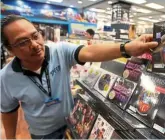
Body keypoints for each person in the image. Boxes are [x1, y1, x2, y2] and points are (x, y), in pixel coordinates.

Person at [0, 15, 158, 139]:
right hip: (43, 134)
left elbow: (89, 52)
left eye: (35, 36)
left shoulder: (59, 51)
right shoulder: (6, 78)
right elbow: (8, 111)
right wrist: (11, 138)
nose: (34, 44)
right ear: (9, 49)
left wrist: (127, 48)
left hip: (75, 122)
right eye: (22, 42)